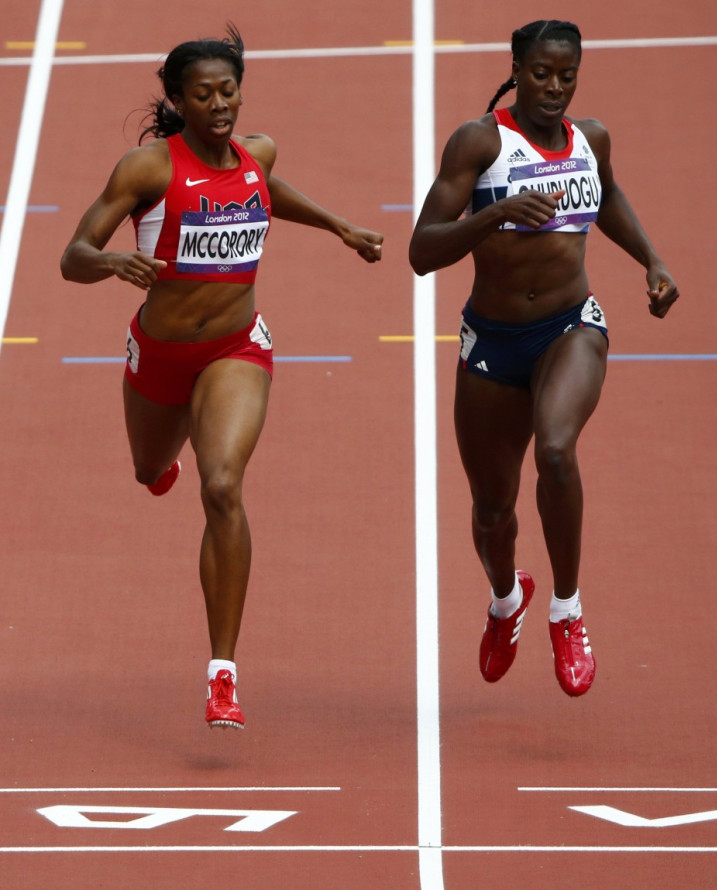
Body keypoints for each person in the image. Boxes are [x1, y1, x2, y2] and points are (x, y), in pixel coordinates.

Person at [60, 25, 383, 729]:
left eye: (228, 90)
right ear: (177, 99)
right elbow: (73, 254)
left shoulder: (256, 154)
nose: (219, 104)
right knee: (150, 470)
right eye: (202, 93)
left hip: (236, 348)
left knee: (223, 486)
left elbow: (268, 188)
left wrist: (338, 226)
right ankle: (161, 459)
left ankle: (223, 674)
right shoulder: (146, 170)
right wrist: (113, 262)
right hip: (161, 351)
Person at [409, 19, 678, 697]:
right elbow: (421, 252)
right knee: (492, 512)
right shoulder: (481, 142)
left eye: (567, 75)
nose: (554, 88)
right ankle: (507, 601)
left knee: (557, 451)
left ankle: (567, 609)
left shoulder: (593, 138)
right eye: (541, 73)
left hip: (570, 328)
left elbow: (607, 194)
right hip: (492, 344)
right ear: (518, 69)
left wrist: (651, 259)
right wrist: (494, 216)